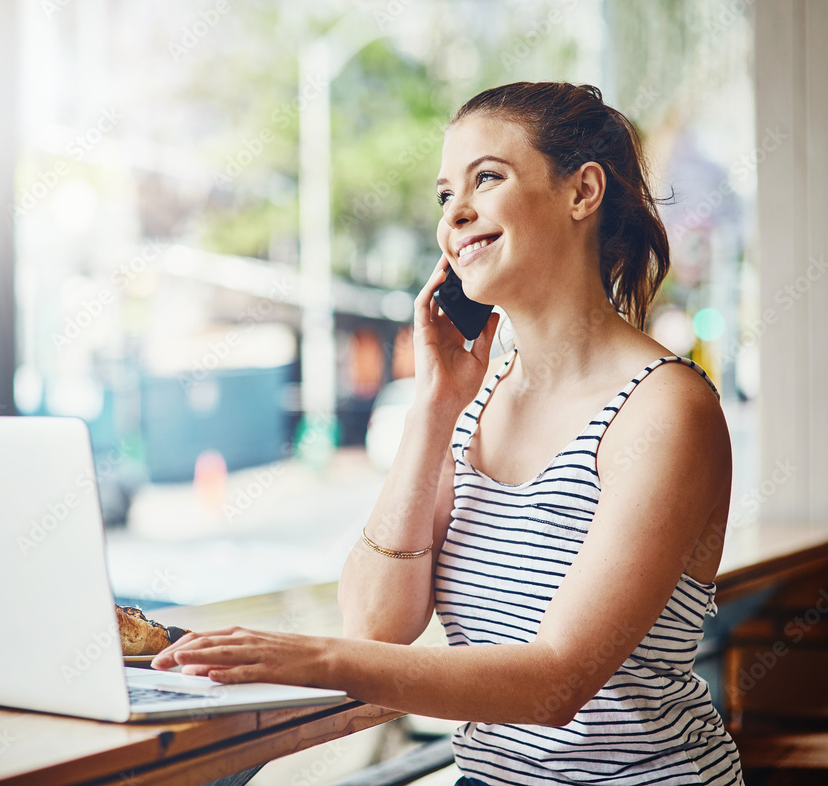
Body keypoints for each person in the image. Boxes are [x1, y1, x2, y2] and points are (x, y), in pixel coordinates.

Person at [152, 82, 743, 785]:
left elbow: (556, 683)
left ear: (582, 192)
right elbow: (376, 624)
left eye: (486, 179)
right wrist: (435, 408)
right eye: (444, 195)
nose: (455, 213)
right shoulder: (477, 399)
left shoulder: (664, 410)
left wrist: (310, 656)